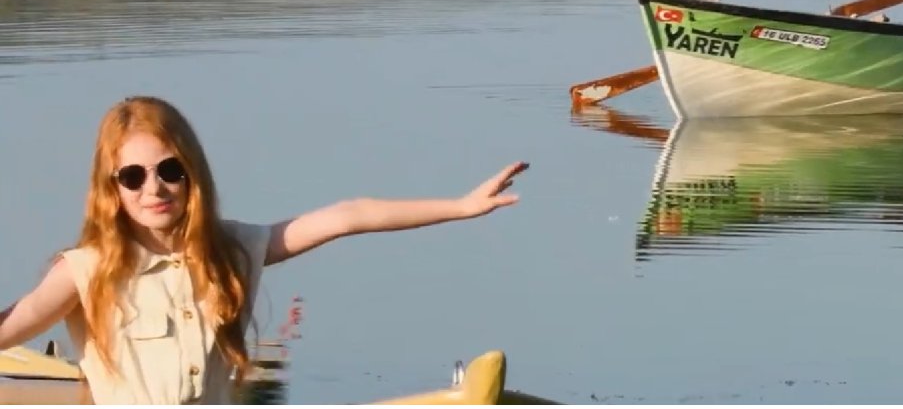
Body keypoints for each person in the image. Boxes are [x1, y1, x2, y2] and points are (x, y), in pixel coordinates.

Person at [0, 95, 528, 404]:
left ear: (193, 174)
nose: (153, 189)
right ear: (111, 187)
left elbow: (347, 216)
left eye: (169, 171)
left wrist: (459, 206)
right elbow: (13, 326)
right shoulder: (85, 271)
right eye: (133, 176)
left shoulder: (232, 250)